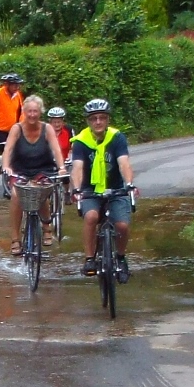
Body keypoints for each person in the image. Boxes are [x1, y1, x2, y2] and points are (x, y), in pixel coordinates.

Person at [71, 98, 138, 281]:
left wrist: (129, 183)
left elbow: (124, 163)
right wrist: (76, 189)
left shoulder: (117, 138)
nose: (98, 122)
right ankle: (90, 258)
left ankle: (121, 258)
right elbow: (77, 167)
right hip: (89, 190)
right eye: (94, 118)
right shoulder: (80, 141)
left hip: (115, 188)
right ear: (88, 121)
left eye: (102, 118)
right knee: (91, 217)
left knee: (122, 225)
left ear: (108, 119)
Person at [2, 95, 68, 256]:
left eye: (35, 111)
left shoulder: (47, 128)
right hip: (20, 170)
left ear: (40, 112)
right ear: (24, 112)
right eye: (29, 111)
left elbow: (56, 150)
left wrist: (61, 167)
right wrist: (6, 167)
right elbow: (8, 150)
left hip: (43, 169)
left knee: (41, 191)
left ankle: (46, 227)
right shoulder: (17, 129)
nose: (32, 115)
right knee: (17, 196)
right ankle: (15, 238)